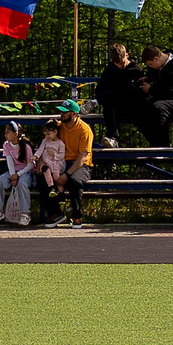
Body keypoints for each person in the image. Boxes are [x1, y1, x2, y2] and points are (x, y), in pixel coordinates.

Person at [135, 45, 173, 149]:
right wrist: (148, 77)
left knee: (157, 107)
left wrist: (150, 90)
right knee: (138, 109)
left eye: (151, 64)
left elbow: (172, 92)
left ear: (156, 58)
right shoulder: (161, 65)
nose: (151, 67)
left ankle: (162, 145)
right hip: (166, 99)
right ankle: (155, 142)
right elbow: (157, 74)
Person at [53, 100, 95, 228]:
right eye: (61, 111)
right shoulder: (60, 127)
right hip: (62, 162)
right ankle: (55, 213)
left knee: (75, 180)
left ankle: (77, 216)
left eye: (65, 112)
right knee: (42, 176)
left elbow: (83, 157)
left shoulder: (84, 130)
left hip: (81, 165)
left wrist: (66, 174)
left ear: (75, 114)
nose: (62, 114)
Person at [94, 43, 143, 145]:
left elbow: (139, 91)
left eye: (122, 63)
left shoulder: (136, 70)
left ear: (127, 55)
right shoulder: (109, 71)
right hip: (115, 107)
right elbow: (99, 90)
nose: (120, 66)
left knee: (128, 87)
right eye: (117, 64)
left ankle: (97, 102)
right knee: (110, 101)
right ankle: (113, 138)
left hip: (133, 105)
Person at [0, 121, 38, 226]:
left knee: (22, 184)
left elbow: (30, 165)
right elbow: (9, 161)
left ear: (15, 134)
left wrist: (18, 175)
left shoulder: (26, 147)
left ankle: (25, 213)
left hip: (26, 171)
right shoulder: (6, 145)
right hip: (13, 171)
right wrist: (12, 175)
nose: (5, 135)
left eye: (8, 132)